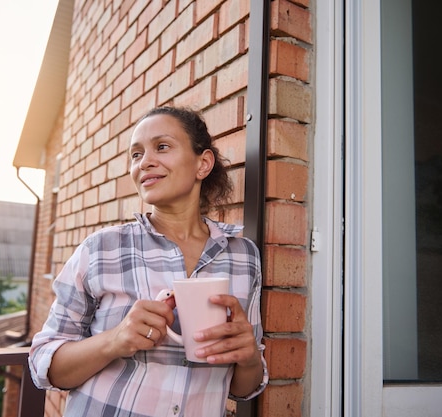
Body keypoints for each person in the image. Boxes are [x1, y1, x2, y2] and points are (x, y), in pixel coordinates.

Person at [29, 106, 268, 416]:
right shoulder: (101, 249)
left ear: (203, 163)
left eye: (162, 147)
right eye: (136, 154)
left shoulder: (243, 255)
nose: (145, 162)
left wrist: (249, 357)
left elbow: (243, 387)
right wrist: (114, 340)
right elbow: (43, 365)